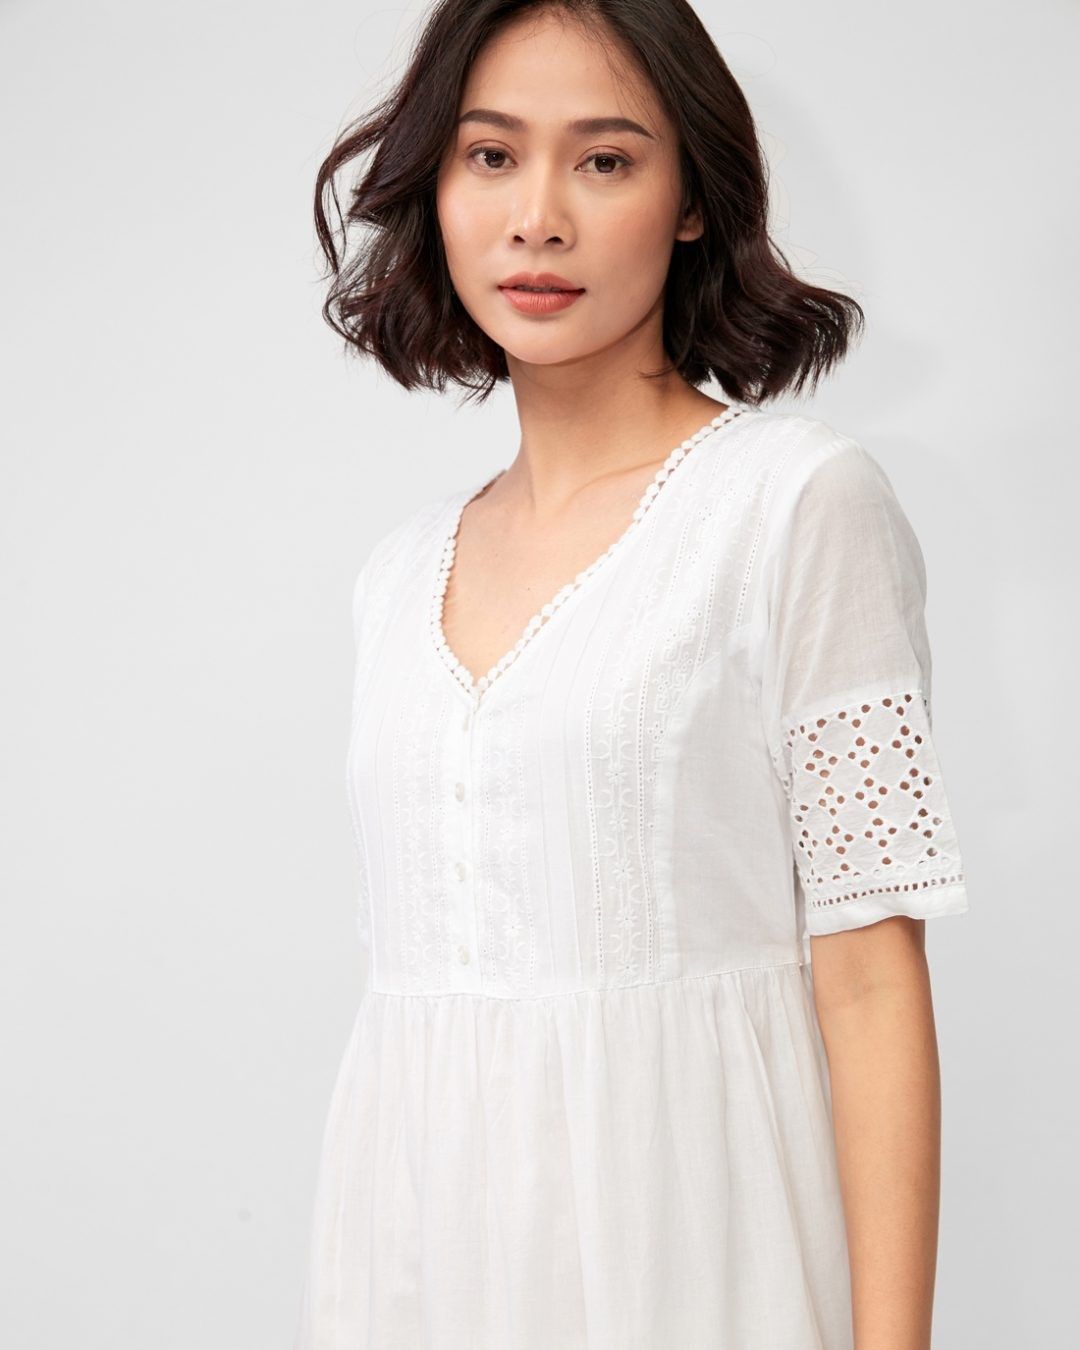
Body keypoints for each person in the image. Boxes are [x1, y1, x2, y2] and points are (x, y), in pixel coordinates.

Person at [294, 2, 970, 1347]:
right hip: (418, 1267)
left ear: (693, 202)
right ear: (437, 190)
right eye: (492, 156)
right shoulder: (397, 574)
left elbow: (871, 978)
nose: (538, 218)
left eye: (604, 161)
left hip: (693, 1259)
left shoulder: (795, 505)